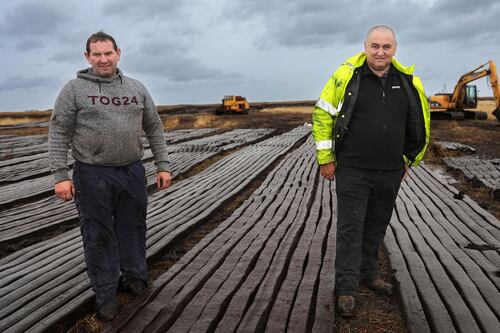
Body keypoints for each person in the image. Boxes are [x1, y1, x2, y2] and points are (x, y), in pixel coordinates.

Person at [48, 31, 172, 321]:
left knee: (134, 227)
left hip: (132, 170)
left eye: (108, 53)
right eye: (96, 54)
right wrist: (60, 175)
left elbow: (154, 127)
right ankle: (105, 294)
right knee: (98, 235)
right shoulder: (73, 90)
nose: (103, 59)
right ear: (87, 57)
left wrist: (163, 165)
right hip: (92, 173)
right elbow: (58, 133)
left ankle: (134, 277)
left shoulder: (136, 88)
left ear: (118, 53)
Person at [312, 25, 430, 317]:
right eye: (375, 46)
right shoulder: (347, 76)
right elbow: (322, 114)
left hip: (390, 170)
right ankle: (347, 288)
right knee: (351, 229)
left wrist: (408, 159)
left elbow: (418, 120)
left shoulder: (407, 81)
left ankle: (369, 273)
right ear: (365, 47)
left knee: (377, 225)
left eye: (386, 47)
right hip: (353, 169)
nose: (380, 52)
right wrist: (326, 158)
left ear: (395, 49)